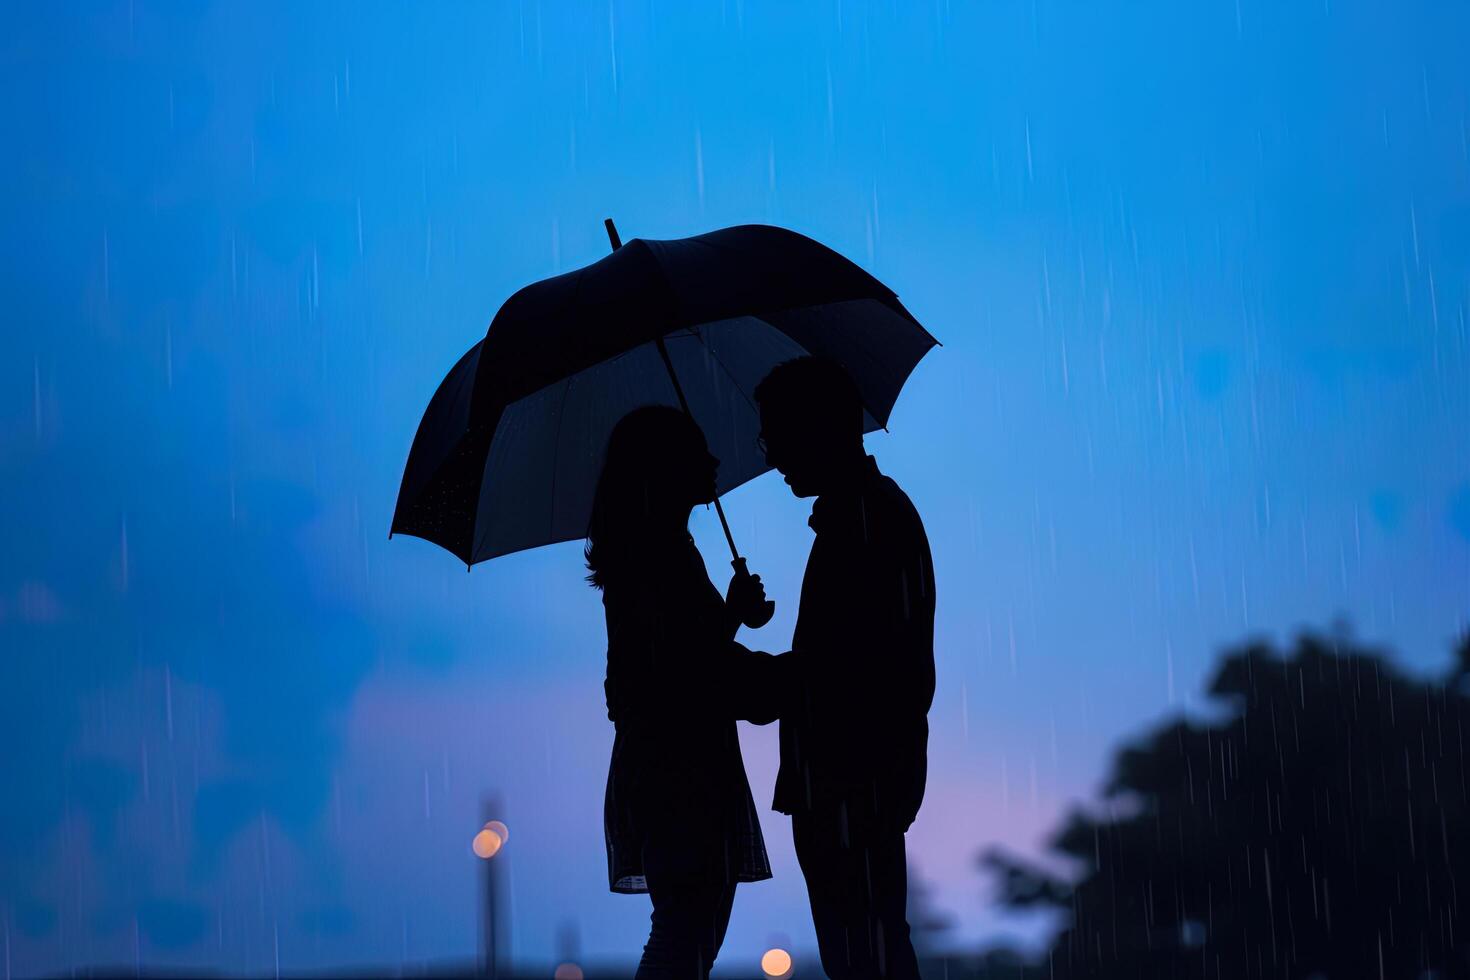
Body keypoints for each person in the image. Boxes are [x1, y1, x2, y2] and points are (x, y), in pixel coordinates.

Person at [754, 356, 936, 979]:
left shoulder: (863, 525)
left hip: (847, 781)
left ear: (816, 429)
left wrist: (730, 672)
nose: (770, 453)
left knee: (861, 950)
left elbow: (839, 674)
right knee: (871, 943)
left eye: (775, 432)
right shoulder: (870, 516)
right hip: (859, 780)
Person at [586, 405, 776, 979]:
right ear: (663, 468)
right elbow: (672, 671)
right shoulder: (656, 556)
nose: (714, 460)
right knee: (686, 929)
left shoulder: (659, 550)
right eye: (698, 450)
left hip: (677, 767)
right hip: (677, 772)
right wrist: (733, 619)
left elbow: (679, 659)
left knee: (693, 926)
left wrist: (729, 619)